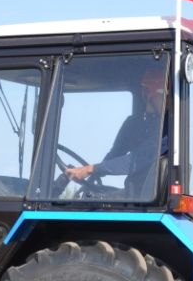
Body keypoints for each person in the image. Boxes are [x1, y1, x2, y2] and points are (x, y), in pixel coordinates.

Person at [64, 66, 167, 198]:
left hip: (145, 198)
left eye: (164, 95)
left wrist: (89, 169)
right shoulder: (135, 124)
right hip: (134, 193)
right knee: (90, 198)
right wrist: (89, 179)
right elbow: (115, 155)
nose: (166, 101)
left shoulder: (166, 129)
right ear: (147, 94)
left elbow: (134, 160)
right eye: (162, 96)